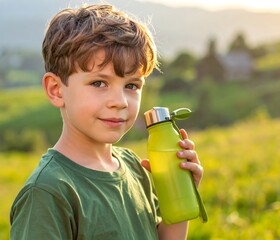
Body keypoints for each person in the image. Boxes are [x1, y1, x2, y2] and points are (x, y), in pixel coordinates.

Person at [10, 4, 204, 240]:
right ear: (56, 90)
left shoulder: (134, 168)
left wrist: (181, 194)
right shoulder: (47, 192)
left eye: (131, 85)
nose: (120, 101)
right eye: (99, 83)